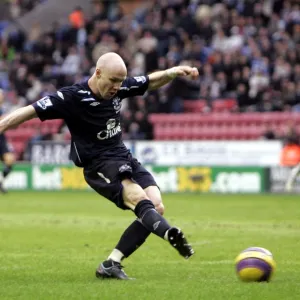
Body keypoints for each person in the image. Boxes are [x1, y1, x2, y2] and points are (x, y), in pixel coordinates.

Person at [0, 52, 199, 279]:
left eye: (120, 82)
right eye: (113, 81)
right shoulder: (71, 97)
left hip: (123, 157)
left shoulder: (119, 86)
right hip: (98, 164)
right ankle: (170, 233)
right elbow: (27, 112)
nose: (117, 87)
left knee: (156, 206)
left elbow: (150, 81)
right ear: (98, 73)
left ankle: (110, 264)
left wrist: (172, 72)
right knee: (138, 198)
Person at [0, 89, 16, 193]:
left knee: (10, 160)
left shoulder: (2, 109)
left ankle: (1, 182)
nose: (2, 97)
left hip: (1, 139)